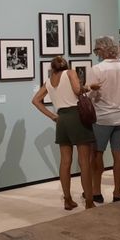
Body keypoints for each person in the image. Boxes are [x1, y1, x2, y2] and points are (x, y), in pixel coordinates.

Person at [32, 56, 95, 210]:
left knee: (65, 162)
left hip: (62, 119)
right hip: (76, 116)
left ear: (52, 68)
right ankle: (89, 201)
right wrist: (89, 87)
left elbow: (35, 100)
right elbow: (77, 90)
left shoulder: (49, 81)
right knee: (84, 162)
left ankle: (67, 200)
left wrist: (53, 116)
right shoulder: (70, 73)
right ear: (66, 65)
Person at [88, 36, 120, 203]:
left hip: (101, 117)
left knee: (97, 153)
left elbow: (90, 94)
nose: (96, 53)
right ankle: (117, 192)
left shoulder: (97, 69)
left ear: (102, 50)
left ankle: (96, 191)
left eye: (96, 50)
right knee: (119, 155)